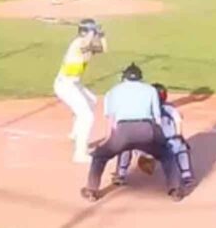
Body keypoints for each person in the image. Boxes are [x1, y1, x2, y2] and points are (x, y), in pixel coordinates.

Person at [81, 64, 183, 201]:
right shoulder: (151, 90)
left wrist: (108, 139)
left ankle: (91, 190)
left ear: (124, 78)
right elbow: (157, 118)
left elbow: (111, 120)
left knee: (99, 156)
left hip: (123, 132)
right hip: (146, 130)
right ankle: (175, 190)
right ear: (140, 78)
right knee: (166, 154)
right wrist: (159, 141)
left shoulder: (113, 92)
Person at [113, 83, 195, 189]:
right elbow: (178, 122)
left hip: (145, 146)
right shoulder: (169, 108)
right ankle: (186, 176)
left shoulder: (140, 109)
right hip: (167, 146)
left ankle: (121, 174)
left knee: (125, 144)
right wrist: (179, 137)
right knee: (182, 147)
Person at [53, 18, 106, 163]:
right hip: (65, 85)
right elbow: (85, 45)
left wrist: (101, 35)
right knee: (87, 116)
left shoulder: (86, 44)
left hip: (73, 84)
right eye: (91, 31)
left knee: (92, 101)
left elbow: (103, 49)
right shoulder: (78, 43)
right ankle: (80, 154)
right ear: (85, 32)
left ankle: (76, 134)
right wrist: (93, 33)